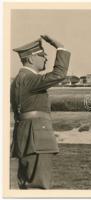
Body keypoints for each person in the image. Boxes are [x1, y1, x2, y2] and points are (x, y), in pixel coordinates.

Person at [10, 35, 71, 189]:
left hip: (26, 138)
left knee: (27, 186)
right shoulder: (28, 78)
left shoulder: (19, 79)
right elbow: (58, 75)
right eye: (42, 55)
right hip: (36, 139)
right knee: (38, 187)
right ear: (31, 59)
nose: (45, 59)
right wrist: (60, 48)